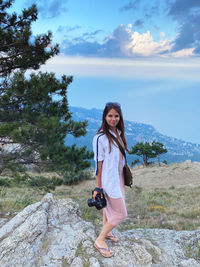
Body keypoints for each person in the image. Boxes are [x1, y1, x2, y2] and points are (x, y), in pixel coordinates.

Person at [92, 102, 129, 257]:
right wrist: (98, 187)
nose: (113, 119)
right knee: (121, 213)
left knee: (109, 207)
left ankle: (107, 232)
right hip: (108, 180)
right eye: (110, 116)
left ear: (119, 117)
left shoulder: (119, 133)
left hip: (118, 177)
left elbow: (118, 156)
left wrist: (126, 167)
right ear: (105, 117)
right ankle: (100, 239)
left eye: (116, 116)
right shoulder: (100, 138)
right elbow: (99, 164)